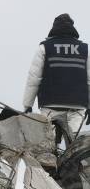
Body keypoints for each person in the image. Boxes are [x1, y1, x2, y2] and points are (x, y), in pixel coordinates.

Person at [23, 13, 90, 144]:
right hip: (76, 108)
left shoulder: (45, 47)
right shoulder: (84, 49)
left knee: (48, 146)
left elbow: (34, 78)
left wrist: (27, 105)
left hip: (50, 106)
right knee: (76, 148)